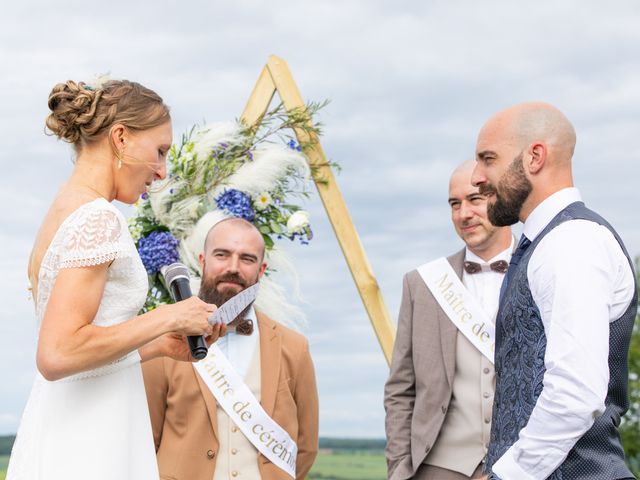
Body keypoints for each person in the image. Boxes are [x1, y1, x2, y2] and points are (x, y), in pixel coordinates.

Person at [7, 78, 224, 480]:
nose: (161, 172)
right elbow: (57, 354)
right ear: (120, 138)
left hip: (66, 416)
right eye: (159, 152)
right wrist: (169, 317)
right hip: (91, 435)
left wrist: (157, 345)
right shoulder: (98, 217)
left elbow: (84, 350)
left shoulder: (62, 208)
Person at [471, 102, 637, 480]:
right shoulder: (545, 244)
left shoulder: (572, 242)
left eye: (488, 159)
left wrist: (509, 475)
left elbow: (575, 393)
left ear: (535, 156)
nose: (477, 177)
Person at [142, 217, 319, 480]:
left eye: (247, 259)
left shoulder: (295, 347)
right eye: (222, 255)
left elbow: (305, 446)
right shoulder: (165, 342)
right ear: (202, 261)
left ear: (262, 269)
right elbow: (145, 439)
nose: (233, 267)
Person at [384, 160, 513, 480]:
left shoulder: (540, 272)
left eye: (475, 199)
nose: (463, 214)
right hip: (437, 467)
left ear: (503, 200)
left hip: (522, 467)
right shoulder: (422, 284)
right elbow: (401, 387)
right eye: (455, 204)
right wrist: (400, 468)